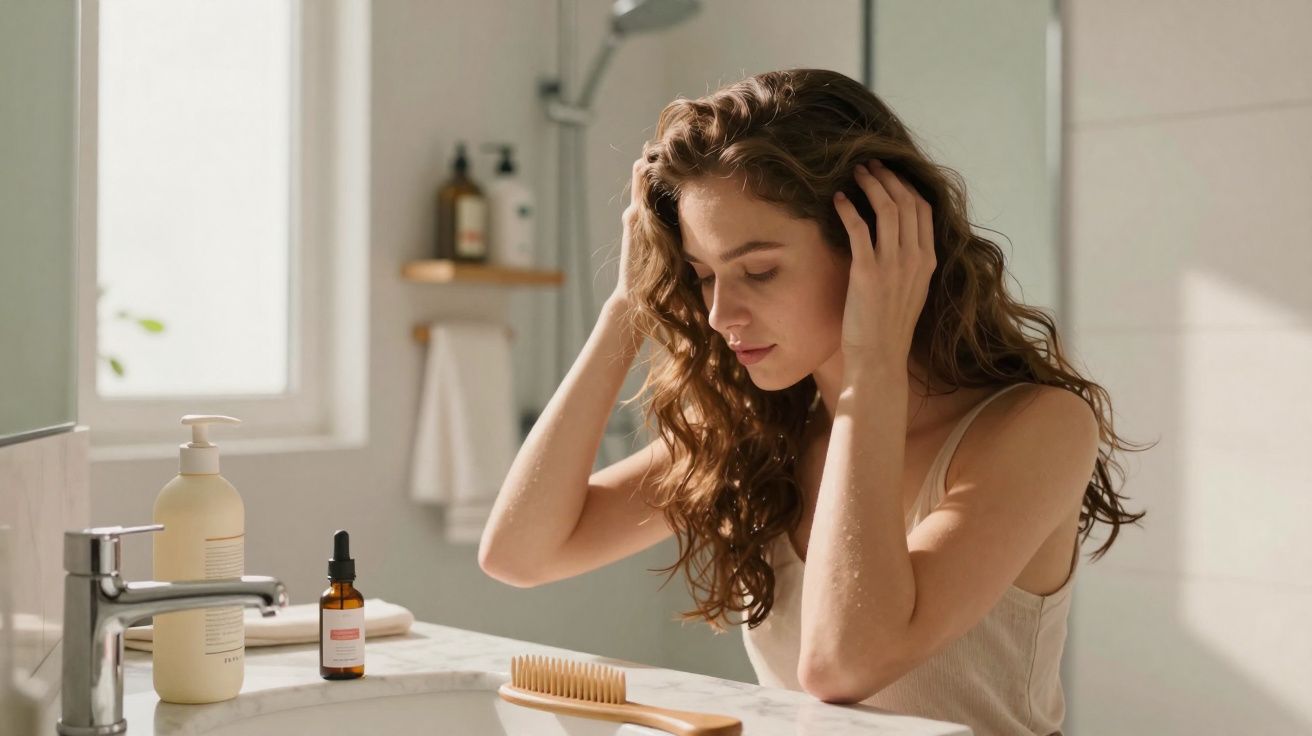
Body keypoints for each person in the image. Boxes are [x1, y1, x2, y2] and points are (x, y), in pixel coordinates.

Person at [479, 68, 1148, 735]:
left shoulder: (1036, 428)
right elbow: (519, 554)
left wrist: (873, 365)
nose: (719, 313)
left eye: (759, 270)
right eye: (703, 275)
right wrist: (629, 305)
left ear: (875, 247)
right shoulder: (758, 433)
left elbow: (842, 664)